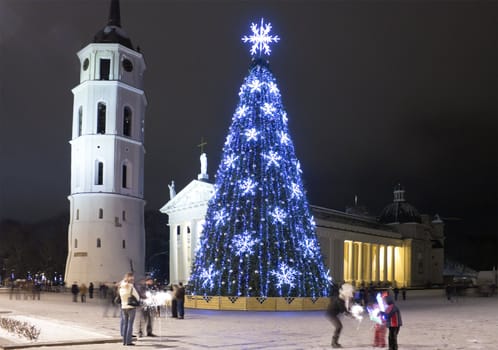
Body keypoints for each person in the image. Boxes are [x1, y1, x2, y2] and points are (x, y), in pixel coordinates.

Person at [326, 283, 353, 348]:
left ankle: (335, 342)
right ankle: (334, 343)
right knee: (338, 327)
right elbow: (343, 311)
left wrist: (349, 311)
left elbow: (345, 309)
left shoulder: (341, 299)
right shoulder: (339, 300)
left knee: (339, 327)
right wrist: (351, 315)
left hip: (333, 314)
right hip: (331, 314)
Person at [119, 272, 140, 346]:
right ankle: (128, 341)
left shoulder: (121, 287)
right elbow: (137, 297)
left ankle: (124, 341)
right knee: (130, 324)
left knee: (125, 324)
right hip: (131, 307)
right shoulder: (131, 287)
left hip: (123, 307)